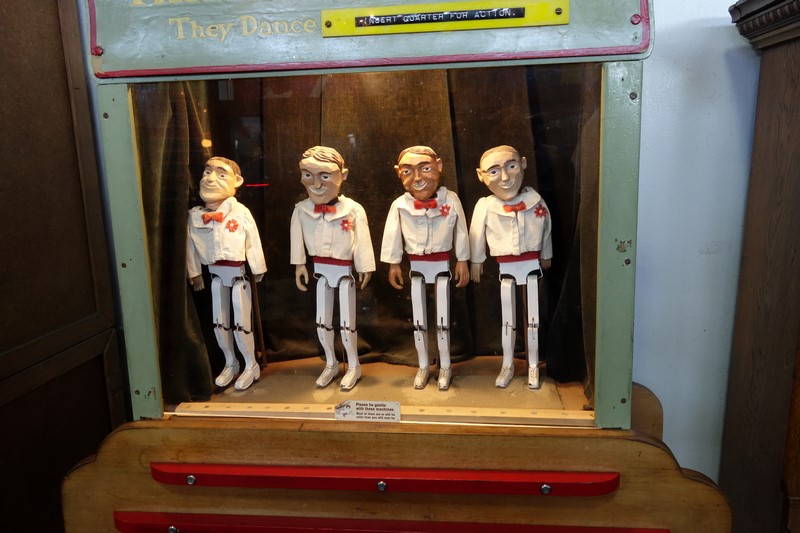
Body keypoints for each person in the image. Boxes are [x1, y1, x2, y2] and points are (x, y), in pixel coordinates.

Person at [381, 146, 470, 391]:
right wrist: (393, 263)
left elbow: (461, 231)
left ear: (439, 166)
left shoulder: (450, 200)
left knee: (442, 321)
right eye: (408, 171)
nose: (418, 178)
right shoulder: (400, 205)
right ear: (398, 173)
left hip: (442, 268)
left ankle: (445, 365)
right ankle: (422, 365)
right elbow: (392, 235)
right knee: (419, 322)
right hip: (416, 270)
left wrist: (462, 260)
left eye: (425, 168)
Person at [290, 146, 375, 391]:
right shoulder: (302, 209)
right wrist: (299, 265)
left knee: (347, 323)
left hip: (345, 273)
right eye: (308, 175)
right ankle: (330, 362)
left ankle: (353, 365)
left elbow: (363, 240)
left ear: (342, 175)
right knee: (322, 322)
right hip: (321, 272)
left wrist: (364, 265)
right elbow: (297, 239)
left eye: (325, 175)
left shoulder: (353, 209)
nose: (316, 184)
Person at [469, 145, 552, 389]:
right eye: (494, 171)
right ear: (481, 175)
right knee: (508, 320)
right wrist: (476, 260)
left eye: (511, 166)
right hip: (506, 269)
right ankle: (507, 364)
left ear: (523, 164)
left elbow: (546, 227)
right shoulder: (485, 206)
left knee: (533, 319)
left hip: (531, 265)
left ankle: (533, 363)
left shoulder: (535, 200)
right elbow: (476, 234)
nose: (505, 178)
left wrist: (546, 253)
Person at [186, 157, 267, 391]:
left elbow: (253, 241)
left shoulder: (240, 212)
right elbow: (189, 247)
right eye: (207, 172)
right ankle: (230, 362)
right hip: (214, 275)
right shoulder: (195, 216)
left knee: (241, 322)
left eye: (221, 174)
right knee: (220, 323)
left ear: (237, 181)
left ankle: (251, 364)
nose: (210, 179)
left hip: (238, 275)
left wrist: (258, 267)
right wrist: (194, 273)